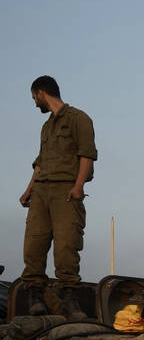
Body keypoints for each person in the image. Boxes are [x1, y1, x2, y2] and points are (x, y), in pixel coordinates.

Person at [21, 75, 97, 320]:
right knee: (34, 245)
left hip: (66, 189)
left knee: (66, 246)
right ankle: (34, 296)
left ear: (42, 92)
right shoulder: (47, 126)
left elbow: (87, 154)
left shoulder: (78, 118)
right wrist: (28, 189)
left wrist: (78, 186)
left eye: (35, 98)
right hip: (41, 192)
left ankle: (70, 297)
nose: (35, 104)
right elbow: (40, 163)